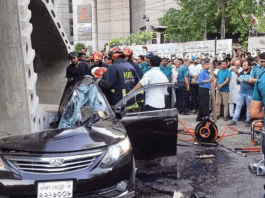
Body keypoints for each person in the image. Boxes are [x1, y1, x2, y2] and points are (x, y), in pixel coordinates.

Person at [228, 61, 254, 127]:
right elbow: (238, 82)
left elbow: (254, 82)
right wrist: (237, 80)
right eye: (243, 65)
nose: (243, 66)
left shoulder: (252, 73)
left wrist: (247, 81)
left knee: (248, 108)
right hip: (241, 93)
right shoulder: (241, 73)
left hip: (249, 93)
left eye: (245, 65)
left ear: (249, 66)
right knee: (238, 107)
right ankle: (234, 120)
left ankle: (248, 121)